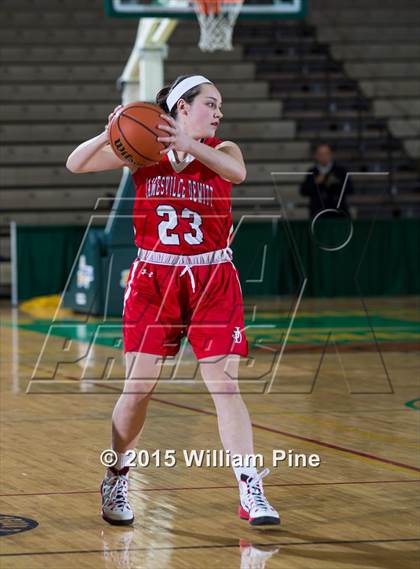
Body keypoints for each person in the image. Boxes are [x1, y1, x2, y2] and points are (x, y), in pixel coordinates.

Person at [66, 75, 280, 527]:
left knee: (225, 386)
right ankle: (118, 474)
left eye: (220, 106)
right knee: (138, 388)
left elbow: (238, 175)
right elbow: (75, 164)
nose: (219, 112)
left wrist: (187, 142)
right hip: (154, 279)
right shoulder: (144, 152)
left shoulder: (225, 151)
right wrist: (111, 132)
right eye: (211, 103)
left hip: (212, 276)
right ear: (182, 107)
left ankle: (250, 488)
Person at [299, 142, 353, 218]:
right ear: (316, 156)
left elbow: (350, 189)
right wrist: (316, 182)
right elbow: (303, 191)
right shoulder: (312, 171)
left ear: (331, 154)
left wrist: (335, 183)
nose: (324, 157)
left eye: (326, 154)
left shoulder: (340, 171)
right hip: (318, 214)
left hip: (338, 213)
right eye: (320, 154)